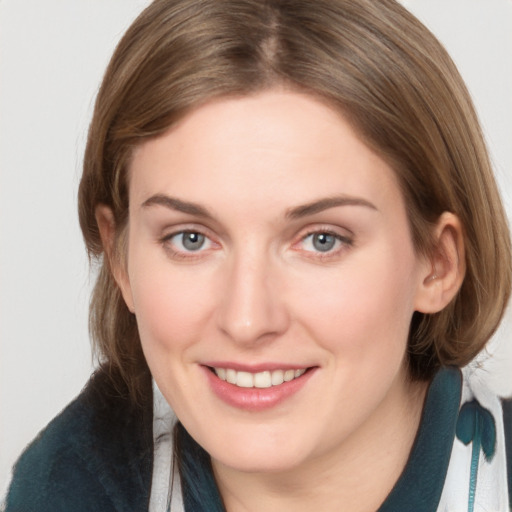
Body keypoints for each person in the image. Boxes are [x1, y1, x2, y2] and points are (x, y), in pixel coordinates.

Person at [4, 0, 512, 510]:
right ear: (120, 257)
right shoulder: (64, 490)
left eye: (322, 240)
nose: (247, 321)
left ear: (437, 263)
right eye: (191, 239)